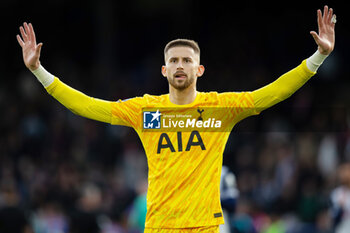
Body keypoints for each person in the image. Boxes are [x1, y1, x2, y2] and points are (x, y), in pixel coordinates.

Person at [17, 5, 336, 233]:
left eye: (187, 60)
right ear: (164, 70)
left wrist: (319, 56)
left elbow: (274, 92)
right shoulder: (146, 112)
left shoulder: (219, 108)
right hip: (159, 224)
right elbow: (87, 106)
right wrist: (38, 71)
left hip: (204, 226)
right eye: (174, 61)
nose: (180, 65)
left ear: (199, 69)